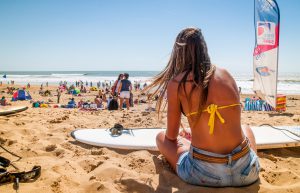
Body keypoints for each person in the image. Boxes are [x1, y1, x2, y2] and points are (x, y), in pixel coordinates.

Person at [143, 27, 260, 187]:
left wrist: (189, 138)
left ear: (179, 52)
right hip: (247, 173)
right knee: (246, 127)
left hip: (204, 174)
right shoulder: (226, 74)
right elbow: (228, 121)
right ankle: (249, 161)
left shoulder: (177, 83)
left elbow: (171, 136)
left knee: (161, 137)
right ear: (204, 48)